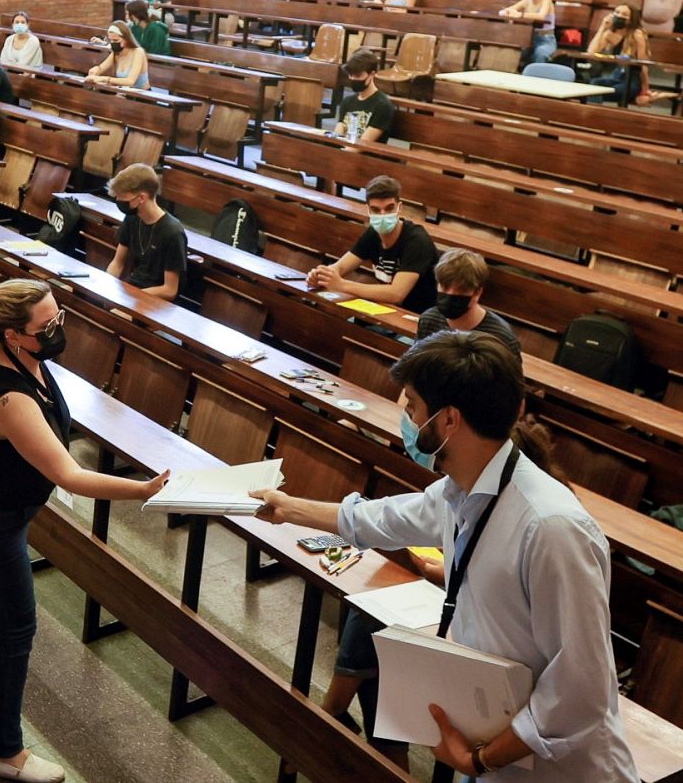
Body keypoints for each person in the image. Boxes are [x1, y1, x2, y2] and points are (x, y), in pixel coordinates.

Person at [252, 332, 641, 783]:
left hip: (561, 770)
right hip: (498, 745)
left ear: (449, 419)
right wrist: (290, 509)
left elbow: (581, 689)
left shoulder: (551, 528)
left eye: (413, 407)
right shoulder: (462, 489)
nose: (408, 420)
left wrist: (480, 760)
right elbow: (386, 518)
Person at [0, 278, 169, 783]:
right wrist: (143, 489)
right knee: (15, 631)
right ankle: (6, 755)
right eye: (48, 325)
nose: (59, 328)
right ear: (14, 335)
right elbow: (69, 475)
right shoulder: (9, 397)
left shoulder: (19, 358)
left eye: (58, 316)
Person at [305, 175, 439, 313]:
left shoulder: (417, 241)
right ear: (368, 209)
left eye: (389, 208)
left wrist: (342, 285)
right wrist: (319, 276)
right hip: (388, 310)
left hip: (420, 316)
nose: (383, 215)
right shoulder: (373, 233)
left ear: (399, 208)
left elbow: (396, 294)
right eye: (376, 210)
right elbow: (340, 267)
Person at [104, 164, 188, 302]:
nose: (119, 200)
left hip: (156, 301)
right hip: (133, 291)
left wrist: (132, 296)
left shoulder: (172, 232)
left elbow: (170, 290)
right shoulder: (132, 218)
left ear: (141, 198)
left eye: (123, 196)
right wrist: (107, 285)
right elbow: (117, 263)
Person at [416, 249, 522, 355]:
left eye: (462, 289)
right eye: (445, 287)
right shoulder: (429, 320)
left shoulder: (502, 338)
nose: (450, 294)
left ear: (477, 293)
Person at [587, 3, 653, 106]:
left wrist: (645, 88)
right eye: (617, 12)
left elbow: (643, 63)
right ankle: (594, 111)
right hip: (617, 76)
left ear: (631, 20)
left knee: (596, 92)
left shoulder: (637, 34)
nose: (619, 16)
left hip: (632, 79)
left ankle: (594, 112)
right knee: (594, 83)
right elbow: (590, 53)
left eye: (624, 14)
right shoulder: (610, 34)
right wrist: (602, 27)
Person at [335, 49, 395, 143]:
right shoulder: (347, 102)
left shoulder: (382, 106)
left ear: (372, 74)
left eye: (358, 76)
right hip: (345, 149)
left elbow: (363, 143)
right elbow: (337, 136)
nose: (353, 79)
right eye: (351, 75)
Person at [500, 0, 558, 65]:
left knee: (540, 53)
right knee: (513, 51)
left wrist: (520, 15)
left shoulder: (546, 0)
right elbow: (507, 11)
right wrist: (507, 12)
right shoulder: (526, 1)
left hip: (545, 39)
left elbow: (541, 16)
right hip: (527, 38)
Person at [85, 22, 149, 90]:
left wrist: (105, 79)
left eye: (115, 40)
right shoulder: (116, 53)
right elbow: (101, 68)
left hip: (142, 93)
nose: (113, 43)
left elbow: (130, 81)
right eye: (111, 40)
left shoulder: (138, 52)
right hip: (124, 92)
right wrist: (96, 69)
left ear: (126, 39)